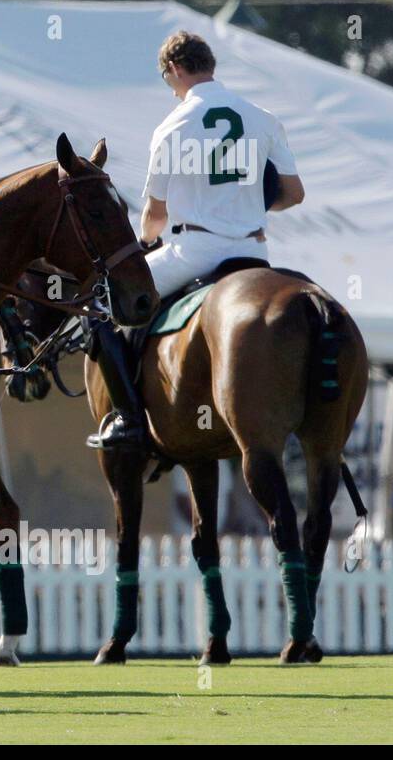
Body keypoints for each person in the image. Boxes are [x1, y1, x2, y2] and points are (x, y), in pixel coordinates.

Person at [88, 30, 305, 450]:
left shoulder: (172, 126)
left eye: (166, 79)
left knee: (98, 307)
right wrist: (252, 211)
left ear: (174, 69)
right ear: (210, 66)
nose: (170, 89)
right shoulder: (262, 117)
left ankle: (130, 420)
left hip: (194, 251)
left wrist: (144, 244)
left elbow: (154, 216)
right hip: (254, 252)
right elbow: (293, 194)